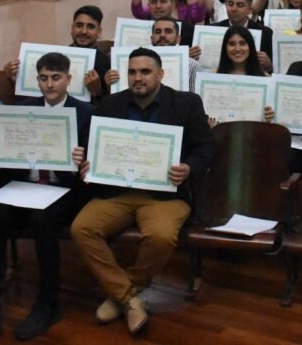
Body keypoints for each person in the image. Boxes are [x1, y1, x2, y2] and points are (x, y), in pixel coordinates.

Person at [70, 48, 214, 335]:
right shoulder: (110, 104)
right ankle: (130, 299)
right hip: (118, 190)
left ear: (160, 74)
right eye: (132, 72)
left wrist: (188, 168)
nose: (138, 77)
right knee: (82, 229)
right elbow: (91, 146)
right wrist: (85, 162)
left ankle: (122, 294)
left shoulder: (186, 103)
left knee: (160, 237)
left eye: (145, 72)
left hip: (166, 193)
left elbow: (206, 147)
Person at [0, 52, 93, 340]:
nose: (49, 84)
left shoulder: (86, 113)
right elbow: (6, 163)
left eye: (56, 78)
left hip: (64, 188)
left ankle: (48, 302)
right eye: (43, 78)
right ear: (37, 80)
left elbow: (89, 171)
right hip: (24, 185)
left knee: (43, 220)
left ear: (68, 79)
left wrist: (80, 162)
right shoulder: (21, 110)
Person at [3, 5, 114, 101]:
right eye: (79, 25)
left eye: (90, 27)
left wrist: (97, 92)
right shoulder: (55, 57)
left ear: (99, 32)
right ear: (72, 29)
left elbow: (112, 108)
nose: (84, 31)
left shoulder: (107, 64)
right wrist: (13, 77)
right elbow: (31, 96)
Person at [214, 0, 274, 71]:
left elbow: (274, 70)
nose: (234, 9)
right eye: (230, 4)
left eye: (240, 5)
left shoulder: (265, 34)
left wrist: (269, 66)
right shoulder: (214, 30)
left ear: (250, 10)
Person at [150, 17, 201, 91]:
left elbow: (194, 95)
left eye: (168, 31)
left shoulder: (192, 65)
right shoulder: (139, 63)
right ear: (152, 39)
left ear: (178, 39)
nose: (162, 35)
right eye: (158, 32)